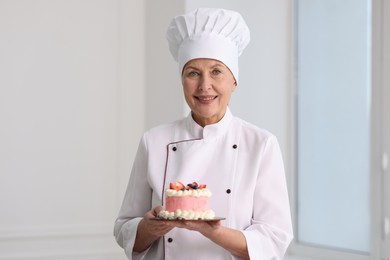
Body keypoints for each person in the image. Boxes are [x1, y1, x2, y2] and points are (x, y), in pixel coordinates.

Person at [114, 8, 293, 260]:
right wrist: (149, 227)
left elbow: (274, 238)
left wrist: (213, 232)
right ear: (182, 80)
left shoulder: (261, 144)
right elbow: (125, 228)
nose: (204, 86)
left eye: (216, 71)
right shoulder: (154, 141)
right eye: (193, 73)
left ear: (234, 81)